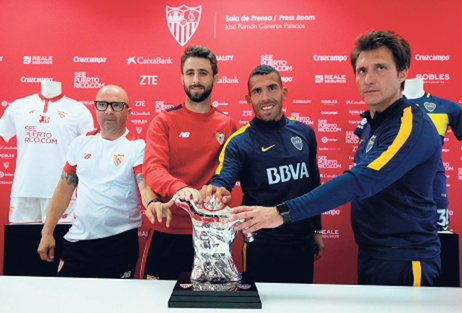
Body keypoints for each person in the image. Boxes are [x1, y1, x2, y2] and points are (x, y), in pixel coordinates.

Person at [229, 31, 442, 287]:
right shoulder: (374, 125)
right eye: (362, 70)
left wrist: (281, 213)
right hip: (374, 254)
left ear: (402, 73)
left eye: (380, 68)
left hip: (405, 259)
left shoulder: (409, 124)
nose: (369, 79)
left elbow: (360, 181)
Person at [200, 65, 323, 284]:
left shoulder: (305, 133)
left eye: (272, 88)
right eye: (257, 91)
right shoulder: (239, 141)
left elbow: (314, 185)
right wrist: (217, 188)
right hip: (261, 243)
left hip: (301, 241)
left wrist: (316, 229)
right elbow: (224, 176)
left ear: (283, 92)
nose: (265, 97)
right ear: (249, 99)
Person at [37, 85, 171, 278]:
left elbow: (144, 184)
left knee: (114, 306)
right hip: (77, 242)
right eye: (103, 105)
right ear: (95, 108)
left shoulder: (137, 146)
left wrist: (152, 203)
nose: (109, 110)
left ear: (128, 112)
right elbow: (64, 188)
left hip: (119, 244)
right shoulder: (80, 143)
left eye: (116, 105)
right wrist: (47, 232)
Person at [142, 46, 237, 280]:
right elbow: (153, 169)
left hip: (211, 234)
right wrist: (181, 189)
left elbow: (235, 173)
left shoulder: (228, 126)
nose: (196, 80)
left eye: (203, 73)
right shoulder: (163, 121)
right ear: (182, 77)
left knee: (208, 304)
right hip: (168, 228)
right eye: (190, 73)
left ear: (215, 77)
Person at [0, 81, 93, 223]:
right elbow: (4, 132)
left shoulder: (79, 111)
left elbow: (88, 152)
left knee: (60, 241)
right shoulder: (18, 106)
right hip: (24, 190)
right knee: (22, 241)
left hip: (61, 191)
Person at [402, 77, 462, 231]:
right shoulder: (385, 109)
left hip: (433, 180)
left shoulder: (444, 107)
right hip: (395, 179)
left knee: (440, 235)